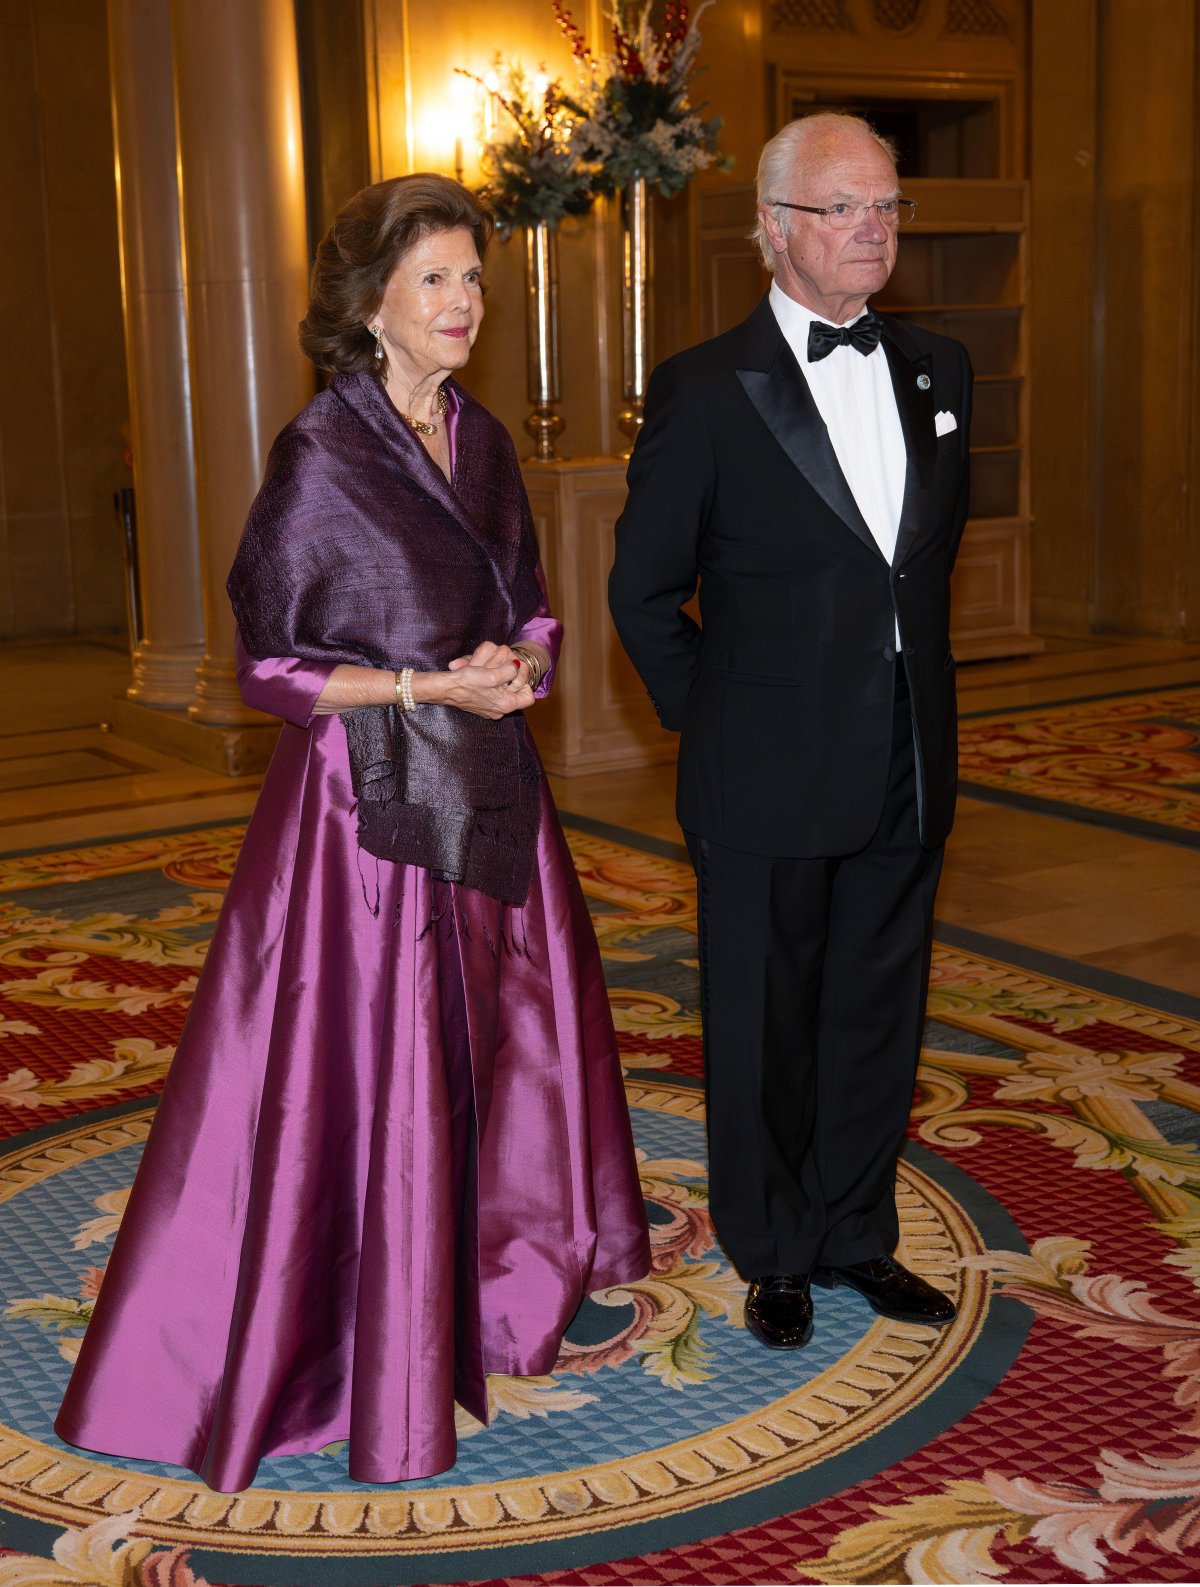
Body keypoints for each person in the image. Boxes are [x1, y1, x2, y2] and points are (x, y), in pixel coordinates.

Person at [56, 173, 650, 1488]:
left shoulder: (484, 440)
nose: (463, 301)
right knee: (370, 1063)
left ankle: (499, 1277)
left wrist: (524, 664)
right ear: (372, 302)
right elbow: (269, 665)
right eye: (435, 278)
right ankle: (343, 1332)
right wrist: (427, 688)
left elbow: (533, 603)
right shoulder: (323, 451)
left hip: (489, 781)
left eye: (473, 278)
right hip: (361, 815)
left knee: (503, 1038)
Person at [608, 114, 971, 1350]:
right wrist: (717, 723)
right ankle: (772, 1249)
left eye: (888, 205)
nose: (874, 227)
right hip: (760, 770)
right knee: (765, 1021)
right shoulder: (708, 389)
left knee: (877, 1009)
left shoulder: (939, 370)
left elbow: (915, 572)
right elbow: (642, 593)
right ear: (774, 226)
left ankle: (856, 1232)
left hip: (906, 756)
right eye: (843, 206)